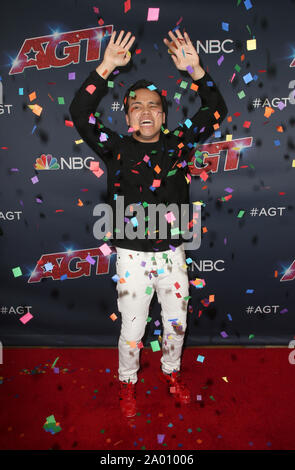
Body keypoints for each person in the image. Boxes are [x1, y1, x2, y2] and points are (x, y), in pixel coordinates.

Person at [69, 29, 228, 418]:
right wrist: (106, 66)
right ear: (127, 116)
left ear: (163, 113)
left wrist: (197, 71)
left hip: (172, 258)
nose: (145, 111)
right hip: (131, 259)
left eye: (153, 106)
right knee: (133, 330)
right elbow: (79, 115)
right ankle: (128, 382)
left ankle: (171, 372)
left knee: (176, 326)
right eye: (137, 106)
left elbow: (216, 109)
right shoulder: (115, 148)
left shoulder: (178, 145)